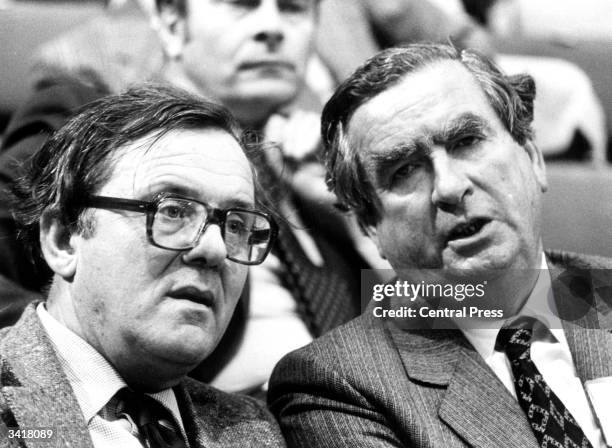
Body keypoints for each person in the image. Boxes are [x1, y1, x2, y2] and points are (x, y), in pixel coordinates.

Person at [0, 0, 367, 394]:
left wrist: (358, 208)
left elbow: (421, 328)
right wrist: (81, 374)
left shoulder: (311, 180)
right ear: (173, 23)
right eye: (242, 5)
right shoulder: (95, 130)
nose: (271, 27)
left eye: (292, 9)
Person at [268, 44, 612, 447]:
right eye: (405, 170)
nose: (449, 187)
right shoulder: (337, 385)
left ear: (533, 157)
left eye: (467, 141)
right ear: (370, 225)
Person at [0, 84, 285, 447]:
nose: (214, 249)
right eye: (172, 211)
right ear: (62, 240)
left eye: (236, 225)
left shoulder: (257, 431)